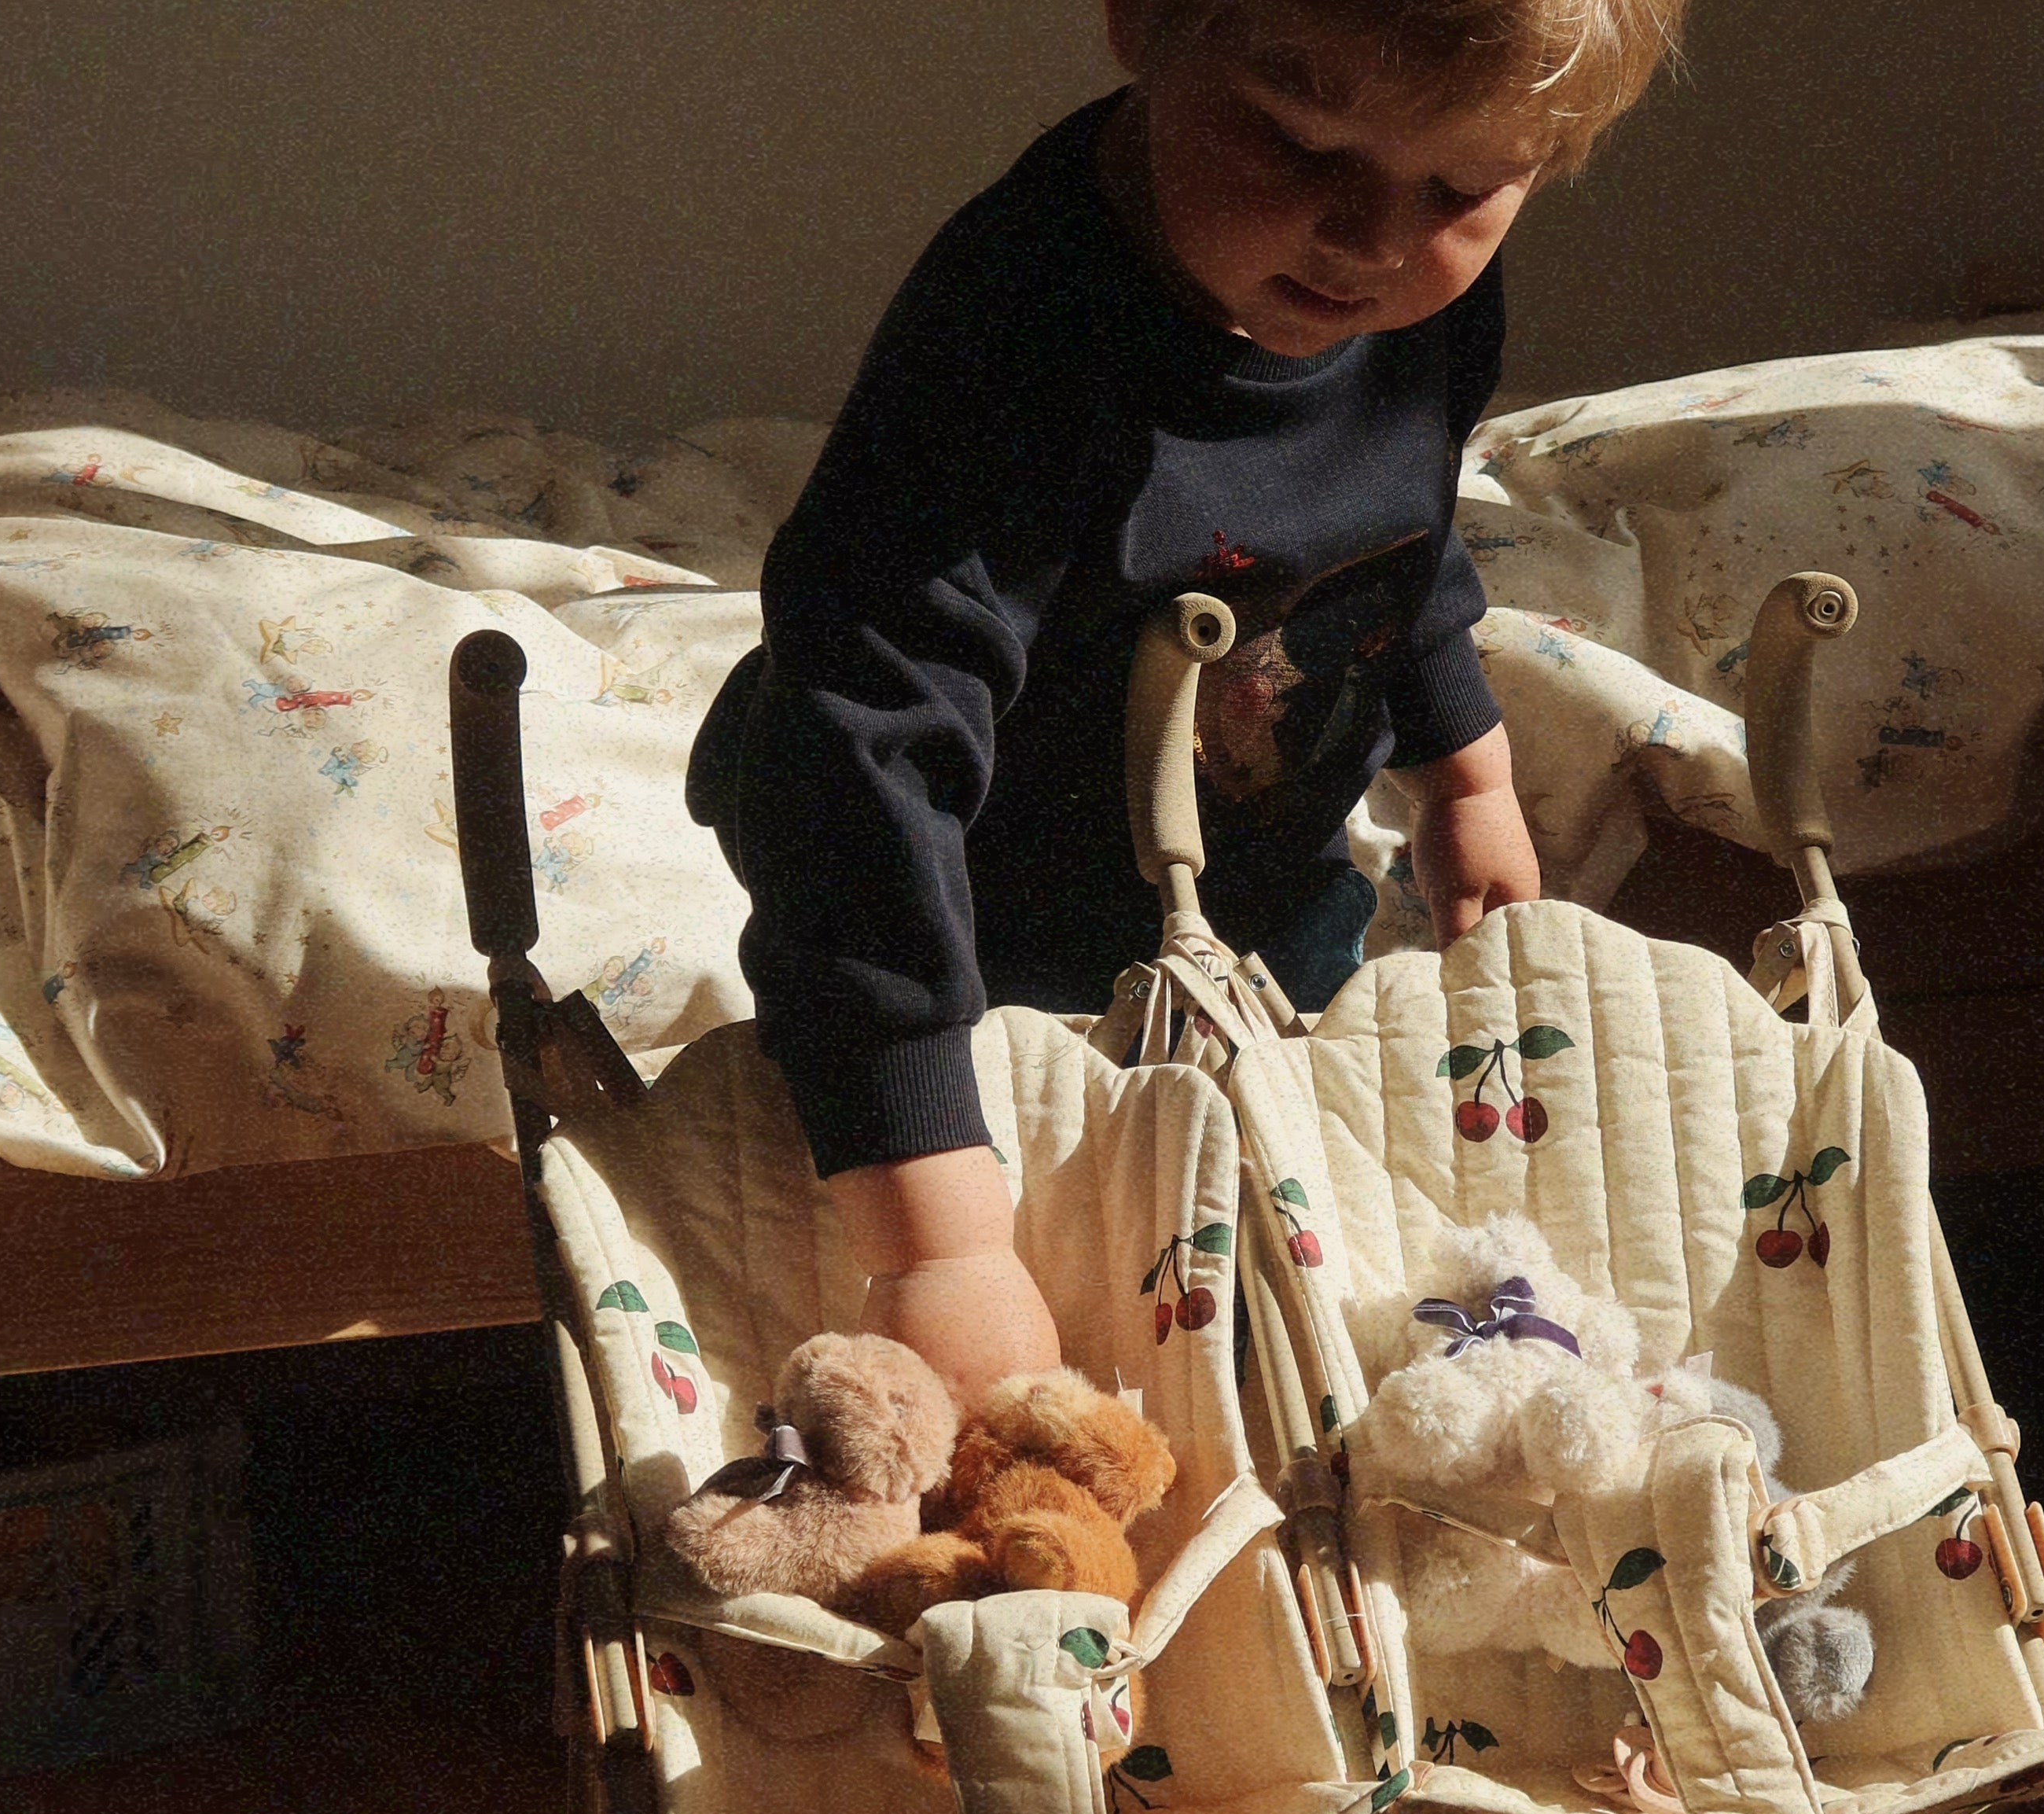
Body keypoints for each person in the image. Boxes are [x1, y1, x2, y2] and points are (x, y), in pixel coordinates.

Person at [686, 0, 1684, 1409]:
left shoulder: (1419, 304)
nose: (1372, 239)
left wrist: (1465, 769)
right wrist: (935, 1241)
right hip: (961, 888)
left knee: (1279, 1269)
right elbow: (856, 760)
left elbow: (1391, 529)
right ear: (1148, 23)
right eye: (1302, 144)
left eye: (1461, 188)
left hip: (1255, 868)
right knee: (1034, 1276)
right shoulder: (1011, 340)